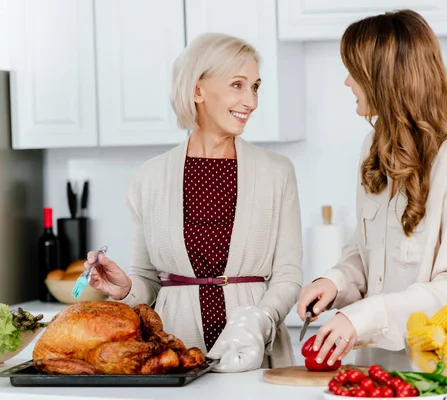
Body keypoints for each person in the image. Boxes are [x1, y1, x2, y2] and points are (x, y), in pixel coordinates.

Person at [296, 10, 447, 376]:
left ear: (385, 79)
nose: (347, 82)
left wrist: (360, 318)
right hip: (376, 375)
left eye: (354, 72)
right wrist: (335, 282)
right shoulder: (373, 147)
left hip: (444, 377)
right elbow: (366, 254)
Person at [84, 32, 303, 372]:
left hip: (256, 352)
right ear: (198, 90)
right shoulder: (150, 177)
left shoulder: (277, 172)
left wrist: (258, 321)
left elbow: (288, 276)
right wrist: (126, 288)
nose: (251, 101)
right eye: (237, 85)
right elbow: (149, 280)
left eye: (255, 87)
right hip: (175, 354)